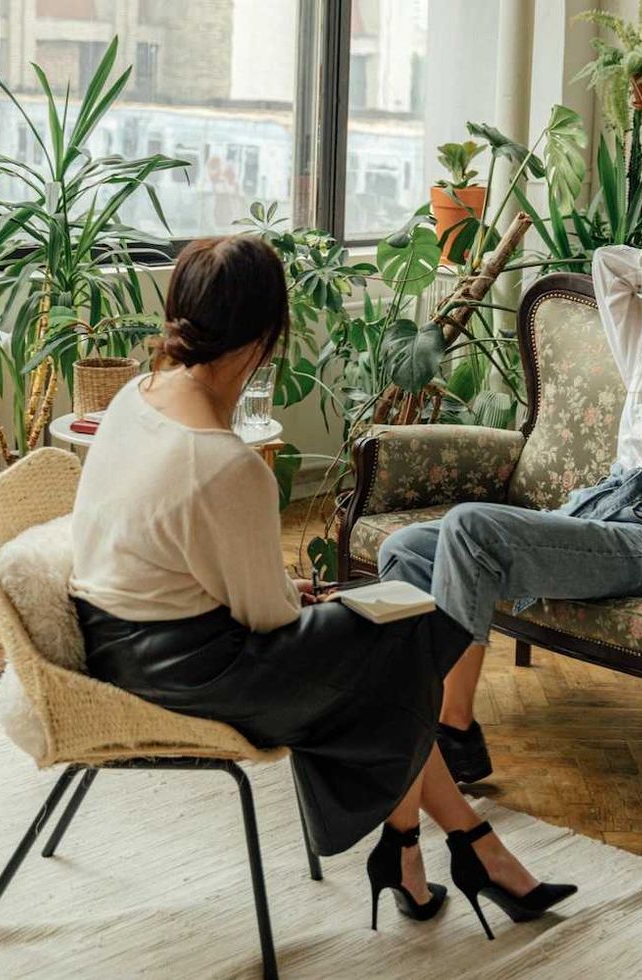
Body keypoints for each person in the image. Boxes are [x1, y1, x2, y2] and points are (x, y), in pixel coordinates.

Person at [68, 234, 575, 941]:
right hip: (188, 671)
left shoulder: (134, 396)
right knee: (403, 646)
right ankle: (456, 852)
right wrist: (316, 601)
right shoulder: (221, 462)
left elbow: (192, 567)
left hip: (112, 641)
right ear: (265, 338)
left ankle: (445, 852)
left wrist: (311, 606)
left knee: (392, 646)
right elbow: (269, 617)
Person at [380, 244, 642, 784]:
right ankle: (407, 710)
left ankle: (454, 731)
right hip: (592, 515)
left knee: (469, 526)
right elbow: (609, 265)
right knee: (405, 549)